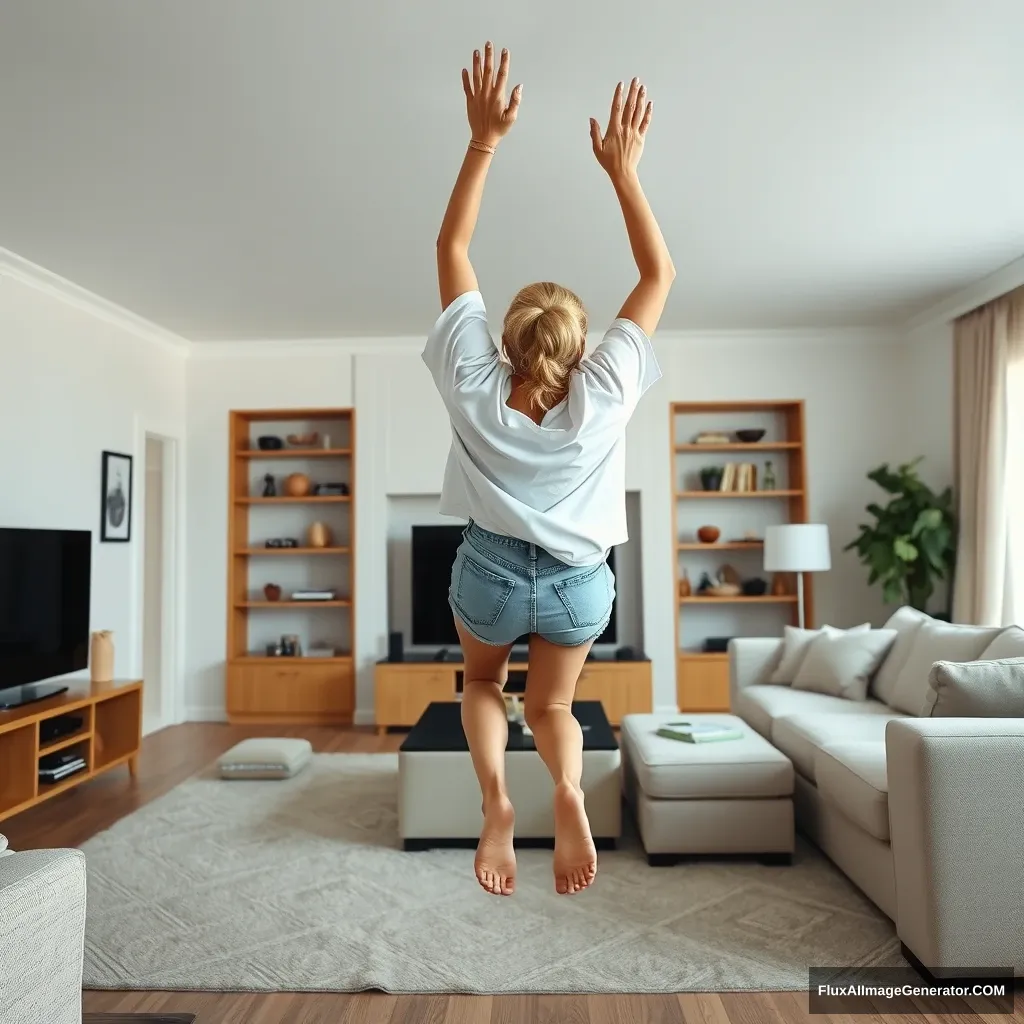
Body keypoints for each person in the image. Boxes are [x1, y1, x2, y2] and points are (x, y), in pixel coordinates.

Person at [423, 41, 675, 897]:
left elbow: (451, 243)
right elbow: (658, 272)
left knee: (483, 683)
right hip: (579, 582)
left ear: (507, 341)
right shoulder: (604, 390)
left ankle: (498, 800)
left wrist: (484, 139)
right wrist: (622, 169)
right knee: (556, 707)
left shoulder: (471, 380)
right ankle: (566, 787)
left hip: (490, 571)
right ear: (580, 345)